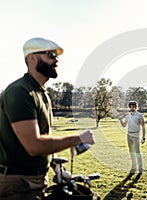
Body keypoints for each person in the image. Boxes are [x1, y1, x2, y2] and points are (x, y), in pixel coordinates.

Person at [0, 37, 95, 199]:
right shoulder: (20, 92)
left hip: (36, 180)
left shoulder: (41, 93)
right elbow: (34, 145)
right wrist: (77, 138)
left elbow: (41, 140)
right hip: (18, 183)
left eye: (57, 57)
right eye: (50, 55)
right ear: (32, 58)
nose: (56, 60)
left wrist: (54, 166)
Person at [119, 101, 146, 173]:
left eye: (133, 106)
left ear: (136, 107)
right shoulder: (128, 116)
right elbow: (124, 125)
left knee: (137, 152)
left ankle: (140, 168)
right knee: (131, 152)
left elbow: (143, 126)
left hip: (136, 136)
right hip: (129, 135)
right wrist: (121, 120)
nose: (132, 108)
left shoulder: (139, 115)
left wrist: (143, 137)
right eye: (130, 106)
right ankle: (133, 167)